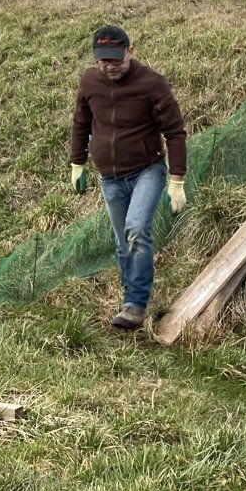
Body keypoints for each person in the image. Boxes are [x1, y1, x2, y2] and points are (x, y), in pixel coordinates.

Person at [68, 24, 188, 330]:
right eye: (102, 61)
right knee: (122, 241)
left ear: (130, 52)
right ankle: (128, 298)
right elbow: (81, 123)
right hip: (109, 176)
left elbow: (174, 132)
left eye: (115, 60)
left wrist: (176, 180)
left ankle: (136, 303)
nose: (109, 67)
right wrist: (77, 163)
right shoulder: (89, 81)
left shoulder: (151, 83)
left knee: (136, 229)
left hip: (146, 170)